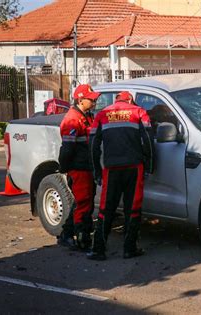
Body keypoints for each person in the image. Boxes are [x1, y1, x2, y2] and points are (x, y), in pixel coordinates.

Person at [87, 91, 155, 260]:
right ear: (130, 99)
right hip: (134, 167)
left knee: (106, 209)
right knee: (133, 208)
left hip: (111, 168)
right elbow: (148, 139)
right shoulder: (139, 112)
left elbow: (93, 143)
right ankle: (129, 249)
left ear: (116, 100)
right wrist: (150, 165)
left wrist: (96, 170)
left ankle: (98, 250)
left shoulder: (102, 114)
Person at [57, 84, 100, 250]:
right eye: (92, 99)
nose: (95, 101)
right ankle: (79, 238)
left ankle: (68, 234)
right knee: (83, 203)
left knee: (85, 202)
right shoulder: (73, 120)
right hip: (79, 168)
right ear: (81, 100)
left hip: (86, 166)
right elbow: (67, 149)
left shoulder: (85, 116)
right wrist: (65, 169)